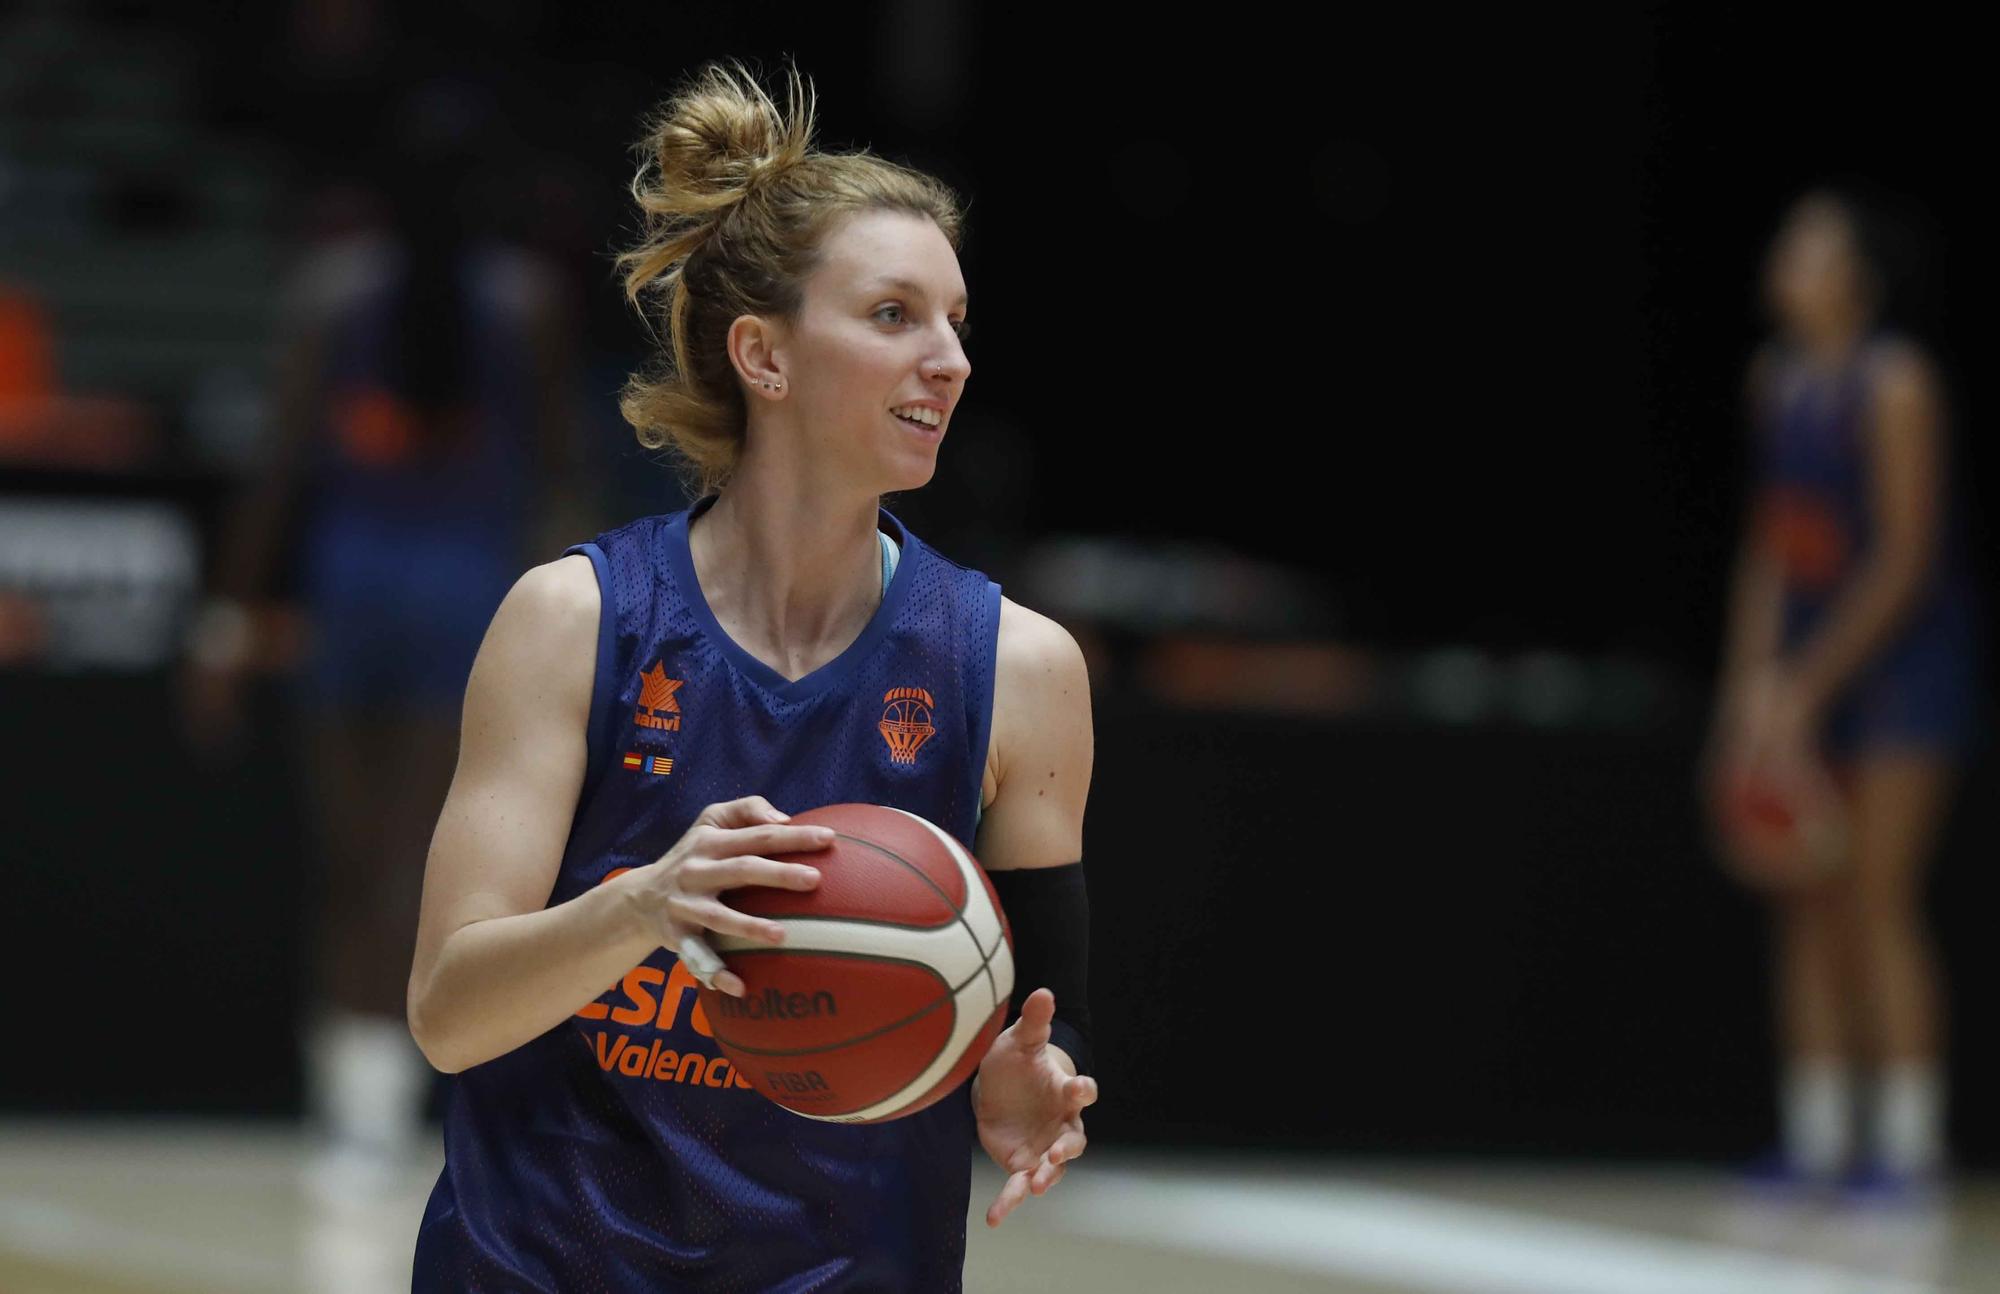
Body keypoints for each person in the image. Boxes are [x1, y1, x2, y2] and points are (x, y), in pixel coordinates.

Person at [406, 59, 1098, 1291]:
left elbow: (1032, 1025)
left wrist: (1019, 1080)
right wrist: (642, 906)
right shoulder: (578, 620)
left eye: (955, 322)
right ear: (763, 357)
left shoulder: (1018, 668)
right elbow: (449, 1011)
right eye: (894, 315)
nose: (949, 358)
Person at [182, 104, 584, 1189]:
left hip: (358, 594)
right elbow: (554, 482)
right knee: (409, 866)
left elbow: (277, 474)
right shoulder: (525, 301)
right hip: (460, 603)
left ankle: (357, 1112)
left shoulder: (336, 290)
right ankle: (376, 1111)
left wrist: (227, 615)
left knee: (356, 867)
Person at [1703, 187, 1979, 1198]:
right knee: (1803, 897)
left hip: (1902, 666)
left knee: (1875, 895)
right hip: (1805, 668)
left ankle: (1905, 1148)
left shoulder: (1895, 384)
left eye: (1806, 249)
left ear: (1855, 277)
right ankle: (1817, 1141)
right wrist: (1750, 690)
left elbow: (1903, 557)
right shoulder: (1772, 380)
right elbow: (1772, 549)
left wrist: (1808, 685)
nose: (1782, 259)